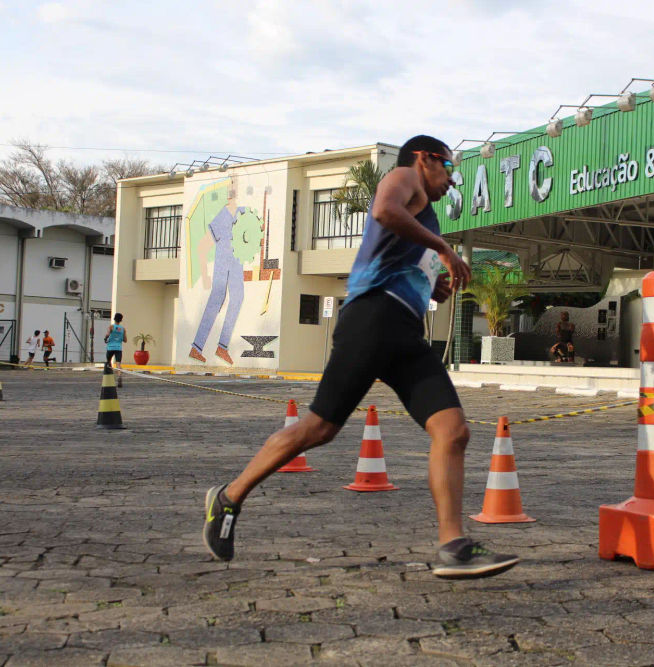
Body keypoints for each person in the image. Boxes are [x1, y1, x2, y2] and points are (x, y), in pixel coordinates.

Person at [202, 135, 519, 579]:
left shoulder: (423, 216)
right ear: (425, 159)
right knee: (320, 428)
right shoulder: (403, 176)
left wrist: (434, 283)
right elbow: (383, 212)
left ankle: (454, 546)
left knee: (453, 430)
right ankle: (229, 497)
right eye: (449, 168)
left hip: (404, 334)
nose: (451, 180)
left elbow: (402, 260)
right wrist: (444, 250)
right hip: (371, 321)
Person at [189, 182, 247, 366]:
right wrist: (205, 274)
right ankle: (197, 347)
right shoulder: (222, 216)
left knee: (237, 298)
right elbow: (203, 246)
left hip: (236, 262)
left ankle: (222, 346)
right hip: (223, 262)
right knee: (217, 299)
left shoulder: (243, 213)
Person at [104, 313, 127, 388]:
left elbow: (107, 334)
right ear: (121, 320)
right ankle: (119, 375)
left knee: (108, 362)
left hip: (110, 347)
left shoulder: (111, 327)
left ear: (114, 319)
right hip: (118, 348)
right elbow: (125, 340)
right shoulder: (123, 329)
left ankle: (109, 379)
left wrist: (105, 338)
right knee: (118, 364)